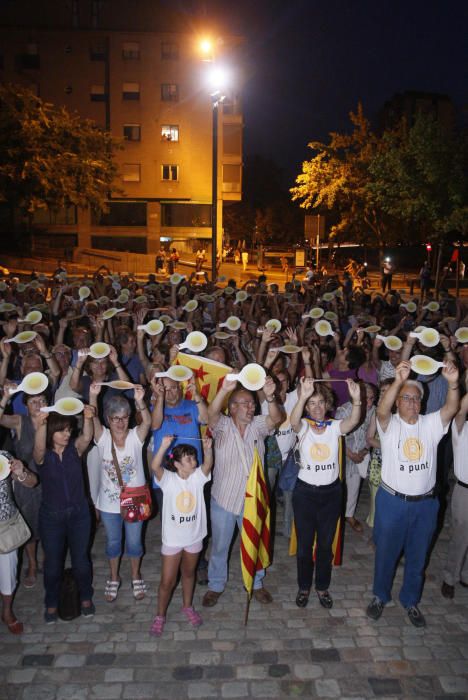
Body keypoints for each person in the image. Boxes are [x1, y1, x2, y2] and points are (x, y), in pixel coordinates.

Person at [366, 360, 459, 628]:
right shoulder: (390, 423)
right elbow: (381, 410)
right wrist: (398, 381)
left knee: (418, 556)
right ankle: (380, 596)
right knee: (386, 553)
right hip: (392, 501)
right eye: (406, 398)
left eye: (416, 399)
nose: (412, 403)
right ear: (398, 402)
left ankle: (410, 600)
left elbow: (451, 408)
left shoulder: (430, 424)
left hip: (426, 504)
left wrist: (453, 383)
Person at [202, 374, 284, 607]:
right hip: (224, 499)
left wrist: (269, 397)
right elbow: (211, 414)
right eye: (246, 404)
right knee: (219, 545)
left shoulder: (258, 424)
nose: (251, 407)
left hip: (253, 499)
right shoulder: (223, 426)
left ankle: (256, 582)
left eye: (252, 404)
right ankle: (215, 585)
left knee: (254, 543)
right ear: (233, 407)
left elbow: (276, 418)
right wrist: (223, 389)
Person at [289, 377, 362, 609]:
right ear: (306, 407)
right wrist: (302, 397)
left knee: (325, 544)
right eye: (312, 404)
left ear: (327, 404)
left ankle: (322, 587)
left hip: (331, 494)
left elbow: (352, 422)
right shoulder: (303, 427)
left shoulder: (334, 427)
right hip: (304, 494)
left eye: (321, 402)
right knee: (304, 545)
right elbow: (293, 421)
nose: (317, 408)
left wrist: (357, 400)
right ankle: (303, 587)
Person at [89, 384, 151, 603]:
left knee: (134, 543)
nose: (120, 422)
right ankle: (114, 577)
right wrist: (93, 396)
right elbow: (92, 417)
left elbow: (149, 422)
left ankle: (135, 575)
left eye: (124, 417)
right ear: (108, 418)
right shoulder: (102, 437)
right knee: (113, 543)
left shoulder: (136, 437)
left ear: (129, 417)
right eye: (115, 418)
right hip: (109, 504)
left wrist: (140, 401)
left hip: (135, 500)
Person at [33, 407, 95, 623]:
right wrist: (41, 425)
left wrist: (88, 418)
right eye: (62, 431)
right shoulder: (44, 457)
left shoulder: (74, 450)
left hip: (79, 514)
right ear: (51, 433)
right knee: (52, 565)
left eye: (69, 430)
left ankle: (86, 597)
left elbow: (87, 437)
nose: (67, 434)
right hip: (51, 517)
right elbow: (39, 448)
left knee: (81, 561)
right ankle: (51, 603)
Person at [149, 434, 213, 636]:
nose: (193, 461)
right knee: (167, 581)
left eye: (194, 457)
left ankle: (187, 606)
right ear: (177, 464)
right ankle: (160, 615)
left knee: (188, 573)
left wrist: (208, 449)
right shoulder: (168, 480)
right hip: (173, 540)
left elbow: (208, 464)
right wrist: (163, 446)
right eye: (188, 459)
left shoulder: (197, 478)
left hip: (194, 537)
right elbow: (155, 467)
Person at [0, 452, 38, 634]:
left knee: (8, 575)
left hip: (6, 527)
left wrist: (21, 472)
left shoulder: (3, 458)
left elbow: (32, 482)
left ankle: (7, 612)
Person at [336, 382, 377, 533]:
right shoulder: (344, 410)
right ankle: (336, 515)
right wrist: (350, 454)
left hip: (360, 454)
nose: (369, 402)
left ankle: (349, 515)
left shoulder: (374, 411)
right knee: (339, 486)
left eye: (372, 398)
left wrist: (365, 450)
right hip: (343, 453)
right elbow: (337, 437)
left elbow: (372, 435)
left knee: (354, 486)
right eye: (365, 398)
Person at [441, 392, 468, 598]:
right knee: (460, 537)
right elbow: (460, 411)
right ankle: (450, 577)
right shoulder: (461, 429)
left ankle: (466, 574)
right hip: (464, 491)